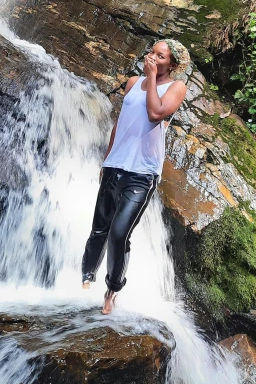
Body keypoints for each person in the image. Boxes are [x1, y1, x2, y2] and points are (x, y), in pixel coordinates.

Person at [81, 39, 190, 314]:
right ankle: (86, 278)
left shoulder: (176, 88)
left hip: (142, 173)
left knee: (119, 233)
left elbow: (155, 113)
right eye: (151, 52)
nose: (152, 57)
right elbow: (120, 123)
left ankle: (112, 289)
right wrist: (106, 160)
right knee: (99, 227)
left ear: (172, 64)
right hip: (116, 165)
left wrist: (152, 78)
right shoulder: (132, 83)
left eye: (160, 56)